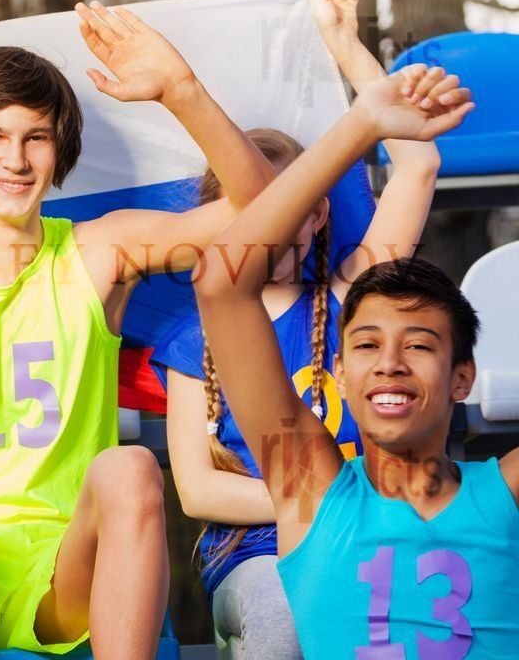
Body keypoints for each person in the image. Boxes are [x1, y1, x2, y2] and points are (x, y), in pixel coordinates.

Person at [0, 4, 283, 659]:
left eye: (35, 137)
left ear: (59, 150)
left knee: (130, 466)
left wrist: (180, 90)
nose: (14, 158)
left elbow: (265, 210)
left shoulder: (100, 253)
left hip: (65, 567)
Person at [155, 0, 451, 658]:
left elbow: (418, 165)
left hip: (383, 536)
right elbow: (198, 490)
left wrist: (344, 44)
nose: (278, 227)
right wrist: (326, 508)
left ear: (318, 213)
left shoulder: (355, 299)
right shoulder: (188, 335)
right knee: (292, 619)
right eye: (255, 209)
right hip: (256, 555)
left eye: (293, 204)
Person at [193, 63, 519, 658]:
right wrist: (361, 122)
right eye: (366, 345)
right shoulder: (312, 497)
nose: (391, 361)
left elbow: (418, 166)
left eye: (419, 344)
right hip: (260, 555)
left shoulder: (504, 493)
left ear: (462, 378)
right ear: (338, 371)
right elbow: (223, 283)